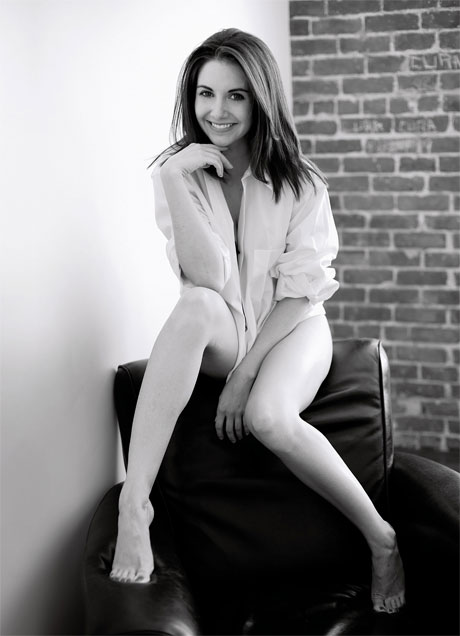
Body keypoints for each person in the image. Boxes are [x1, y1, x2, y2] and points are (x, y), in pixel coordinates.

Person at [110, 28, 405, 614]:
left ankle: (382, 539)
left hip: (294, 325)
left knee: (269, 416)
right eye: (206, 94)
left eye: (236, 95)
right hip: (226, 321)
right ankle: (134, 506)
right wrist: (174, 179)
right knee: (196, 303)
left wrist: (244, 375)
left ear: (260, 98)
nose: (217, 111)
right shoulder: (177, 174)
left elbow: (301, 292)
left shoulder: (302, 181)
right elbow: (208, 278)